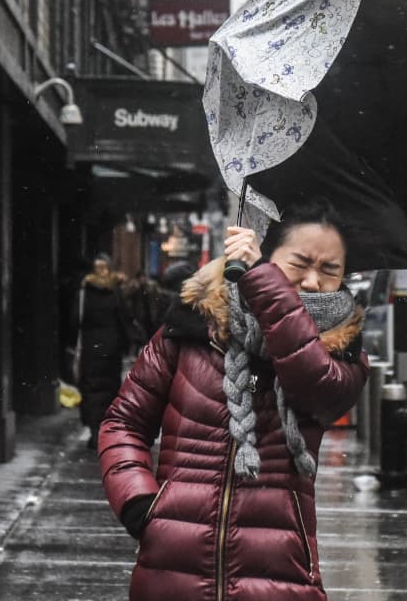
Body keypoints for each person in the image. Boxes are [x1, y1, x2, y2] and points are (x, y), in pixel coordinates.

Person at [98, 199, 369, 601]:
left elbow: (315, 385)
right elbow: (123, 421)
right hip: (172, 571)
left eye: (329, 270)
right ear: (266, 250)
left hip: (279, 574)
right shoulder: (193, 324)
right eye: (299, 263)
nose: (312, 281)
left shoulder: (341, 350)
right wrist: (139, 501)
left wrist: (265, 283)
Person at [75, 253, 132, 449]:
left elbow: (75, 319)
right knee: (109, 389)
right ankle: (105, 430)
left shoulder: (85, 291)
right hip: (111, 349)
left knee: (91, 389)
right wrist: (125, 344)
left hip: (90, 348)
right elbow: (124, 318)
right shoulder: (114, 292)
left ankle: (94, 430)